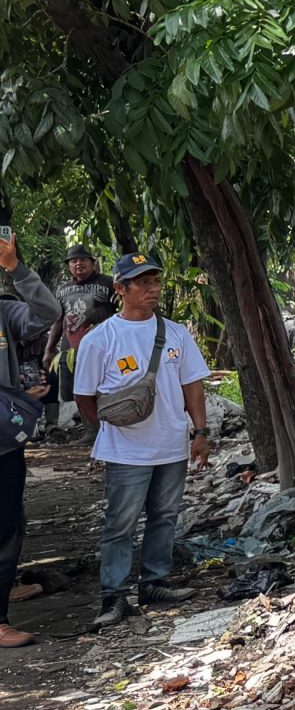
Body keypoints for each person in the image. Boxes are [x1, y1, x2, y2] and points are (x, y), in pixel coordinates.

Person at [74, 252, 209, 631]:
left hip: (171, 445)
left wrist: (200, 432)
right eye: (143, 282)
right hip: (126, 451)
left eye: (155, 281)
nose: (153, 289)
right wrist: (111, 428)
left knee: (165, 516)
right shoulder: (101, 339)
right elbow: (84, 397)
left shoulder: (176, 333)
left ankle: (154, 583)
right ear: (120, 288)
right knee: (121, 523)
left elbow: (192, 386)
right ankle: (113, 595)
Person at [0, 231, 63, 649]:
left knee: (7, 527)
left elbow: (48, 311)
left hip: (4, 444)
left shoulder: (4, 311)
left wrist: (16, 269)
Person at [47, 245, 112, 429]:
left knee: (103, 386)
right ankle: (90, 430)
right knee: (76, 389)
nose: (78, 264)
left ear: (93, 263)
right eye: (73, 261)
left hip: (103, 346)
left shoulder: (109, 283)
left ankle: (107, 428)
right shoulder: (63, 289)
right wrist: (49, 349)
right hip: (71, 349)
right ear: (69, 265)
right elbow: (58, 320)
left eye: (83, 260)